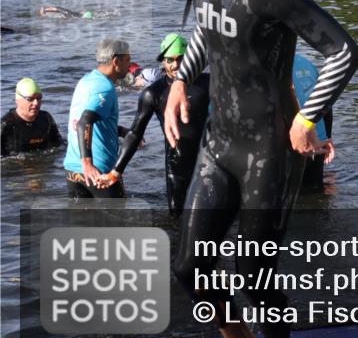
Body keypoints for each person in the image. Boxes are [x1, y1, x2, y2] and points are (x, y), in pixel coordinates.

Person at [164, 0, 358, 338]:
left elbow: (343, 51)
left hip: (268, 154)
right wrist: (181, 81)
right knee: (188, 266)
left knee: (255, 274)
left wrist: (307, 117)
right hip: (219, 143)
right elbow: (206, 30)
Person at [105, 33, 210, 216]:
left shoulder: (208, 83)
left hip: (208, 162)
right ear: (163, 61)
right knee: (176, 218)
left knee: (211, 218)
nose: (176, 65)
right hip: (176, 164)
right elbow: (135, 133)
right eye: (170, 60)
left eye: (181, 58)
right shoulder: (154, 93)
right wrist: (116, 171)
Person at [63, 39, 132, 198]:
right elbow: (84, 122)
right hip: (97, 172)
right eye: (128, 59)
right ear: (116, 61)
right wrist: (87, 164)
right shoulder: (105, 88)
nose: (130, 65)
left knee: (84, 215)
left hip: (73, 170)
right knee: (120, 214)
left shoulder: (86, 81)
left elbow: (93, 122)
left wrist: (122, 131)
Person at [291, 54, 335, 192]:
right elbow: (326, 104)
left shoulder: (269, 65)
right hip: (317, 144)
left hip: (295, 145)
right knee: (315, 193)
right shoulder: (306, 63)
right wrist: (326, 138)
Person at [1, 78, 63, 156]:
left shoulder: (46, 118)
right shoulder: (6, 124)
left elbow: (59, 146)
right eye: (30, 99)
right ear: (18, 100)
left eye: (39, 98)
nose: (36, 103)